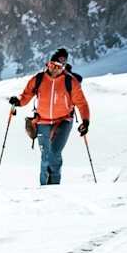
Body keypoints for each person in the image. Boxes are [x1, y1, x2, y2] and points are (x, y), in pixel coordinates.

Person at [8, 48, 90, 185]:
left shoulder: (70, 81)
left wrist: (85, 121)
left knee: (55, 152)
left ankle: (54, 187)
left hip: (64, 120)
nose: (54, 69)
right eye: (52, 65)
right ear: (48, 64)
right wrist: (18, 102)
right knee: (46, 155)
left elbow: (81, 103)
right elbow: (26, 95)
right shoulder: (39, 79)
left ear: (63, 67)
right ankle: (44, 189)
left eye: (58, 67)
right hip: (42, 121)